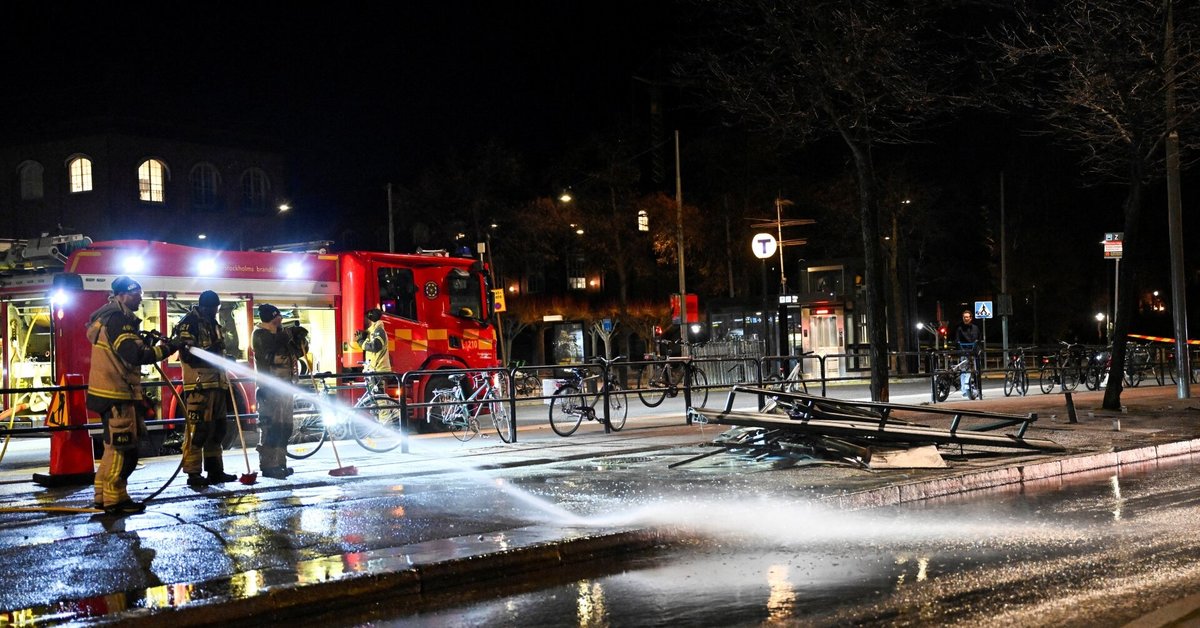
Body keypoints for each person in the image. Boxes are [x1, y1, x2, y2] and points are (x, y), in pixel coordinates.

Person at [87, 276, 181, 515]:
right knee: (123, 449)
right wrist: (169, 348)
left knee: (112, 449)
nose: (140, 297)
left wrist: (144, 342)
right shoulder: (119, 319)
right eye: (134, 293)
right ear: (120, 296)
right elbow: (133, 355)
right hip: (117, 393)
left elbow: (124, 350)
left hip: (108, 391)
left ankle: (104, 496)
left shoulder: (107, 317)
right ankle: (115, 501)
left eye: (140, 292)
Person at [172, 290, 237, 487]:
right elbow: (188, 354)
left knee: (218, 430)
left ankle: (215, 470)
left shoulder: (213, 323)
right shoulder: (189, 323)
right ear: (204, 306)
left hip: (217, 383)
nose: (215, 313)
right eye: (213, 309)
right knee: (198, 431)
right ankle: (193, 473)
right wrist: (212, 354)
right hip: (199, 384)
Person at [251, 303, 305, 479]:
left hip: (285, 389)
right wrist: (287, 334)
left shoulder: (281, 334)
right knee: (270, 428)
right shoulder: (260, 335)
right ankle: (268, 465)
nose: (279, 320)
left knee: (285, 428)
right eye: (276, 317)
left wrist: (301, 339)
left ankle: (281, 462)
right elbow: (271, 345)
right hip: (270, 390)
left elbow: (298, 353)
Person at [354, 308, 389, 391]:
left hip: (378, 370)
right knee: (374, 397)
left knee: (378, 397)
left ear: (370, 320)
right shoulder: (372, 331)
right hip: (374, 370)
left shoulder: (379, 331)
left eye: (366, 319)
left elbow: (375, 346)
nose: (364, 321)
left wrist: (361, 342)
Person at [954, 309, 982, 399]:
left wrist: (979, 349)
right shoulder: (959, 328)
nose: (966, 319)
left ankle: (977, 389)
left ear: (971, 318)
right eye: (964, 317)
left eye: (967, 317)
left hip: (974, 353)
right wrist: (961, 351)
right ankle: (964, 391)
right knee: (964, 371)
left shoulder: (975, 328)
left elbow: (978, 340)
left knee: (976, 371)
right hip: (964, 352)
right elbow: (957, 341)